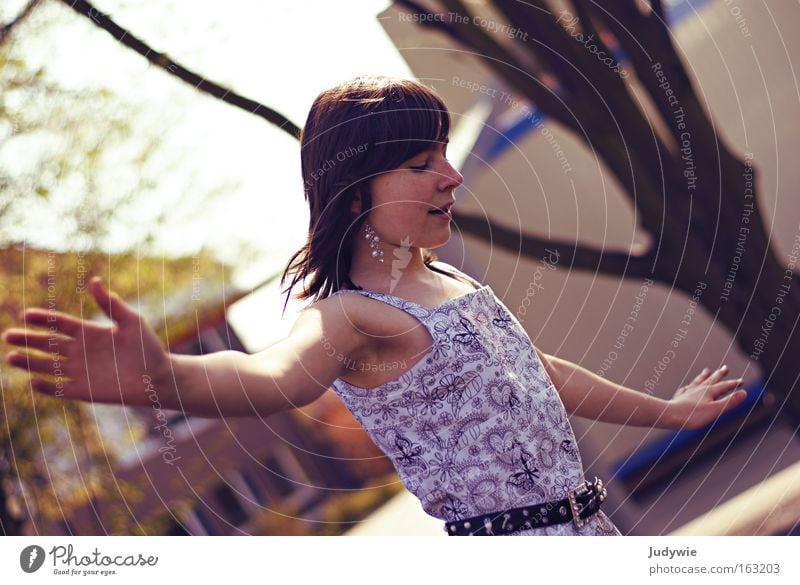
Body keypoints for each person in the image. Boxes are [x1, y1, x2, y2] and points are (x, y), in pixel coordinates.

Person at [2, 75, 747, 536]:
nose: (451, 176)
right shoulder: (348, 316)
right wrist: (167, 375)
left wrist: (668, 410)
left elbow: (539, 368)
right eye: (423, 163)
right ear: (358, 190)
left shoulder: (451, 283)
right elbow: (271, 378)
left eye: (446, 153)